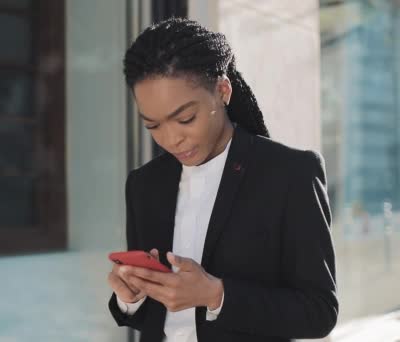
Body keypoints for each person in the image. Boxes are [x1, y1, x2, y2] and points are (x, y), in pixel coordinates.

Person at [106, 18, 338, 342]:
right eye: (153, 126)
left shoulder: (291, 174)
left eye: (186, 118)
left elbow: (319, 311)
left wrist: (217, 295)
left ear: (222, 90)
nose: (172, 139)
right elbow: (154, 319)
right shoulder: (143, 185)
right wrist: (131, 297)